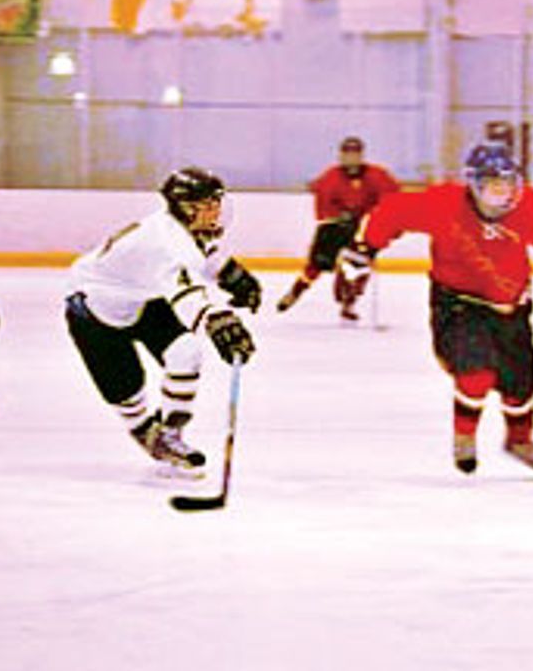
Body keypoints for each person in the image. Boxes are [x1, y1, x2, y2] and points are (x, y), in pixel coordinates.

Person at [335, 140, 533, 476]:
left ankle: (519, 441)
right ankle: (465, 436)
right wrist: (364, 249)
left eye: (507, 184)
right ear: (473, 185)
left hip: (512, 307)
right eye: (492, 186)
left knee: (521, 385)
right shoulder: (444, 203)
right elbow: (390, 212)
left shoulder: (530, 205)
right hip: (458, 303)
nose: (502, 194)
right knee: (475, 373)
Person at [65, 166, 258, 476]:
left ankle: (169, 435)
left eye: (217, 202)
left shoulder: (179, 229)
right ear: (186, 208)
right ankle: (144, 431)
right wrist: (217, 320)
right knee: (128, 394)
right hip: (96, 311)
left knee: (186, 351)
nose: (217, 211)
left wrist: (233, 277)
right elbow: (186, 294)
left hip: (142, 299)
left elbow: (202, 255)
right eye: (208, 204)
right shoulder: (168, 244)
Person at [276, 135, 399, 321]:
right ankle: (295, 292)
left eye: (355, 153)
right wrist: (338, 217)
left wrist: (382, 219)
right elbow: (323, 206)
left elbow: (391, 199)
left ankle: (348, 302)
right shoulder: (331, 177)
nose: (351, 158)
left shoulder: (377, 175)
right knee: (317, 265)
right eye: (347, 154)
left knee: (359, 265)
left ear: (361, 155)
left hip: (364, 228)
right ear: (341, 156)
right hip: (335, 227)